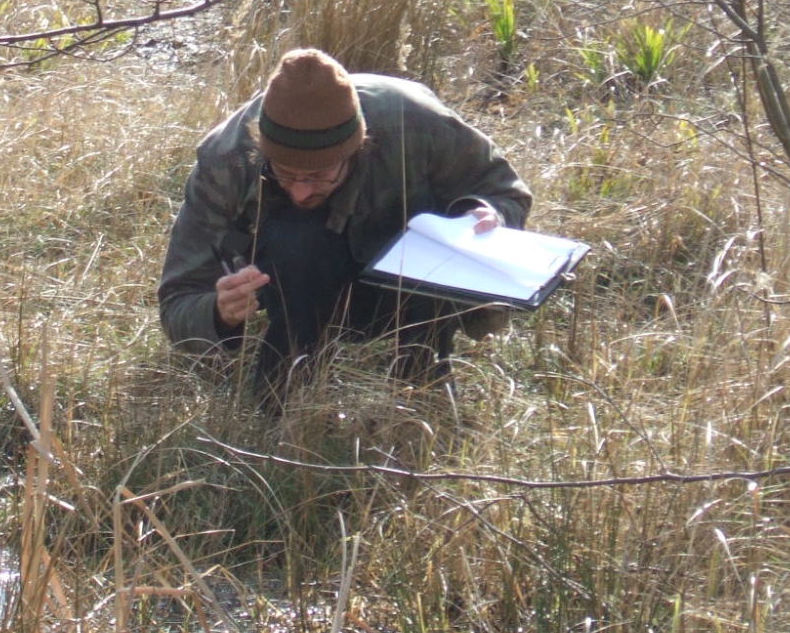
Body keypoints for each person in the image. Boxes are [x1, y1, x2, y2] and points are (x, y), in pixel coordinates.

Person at [159, 49, 532, 394]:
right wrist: (219, 313)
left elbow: (505, 193)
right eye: (285, 174)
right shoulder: (226, 160)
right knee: (296, 238)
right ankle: (284, 392)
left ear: (359, 147)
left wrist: (486, 217)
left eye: (319, 175)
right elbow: (178, 299)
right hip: (293, 282)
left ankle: (421, 386)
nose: (301, 192)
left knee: (430, 240)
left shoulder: (417, 122)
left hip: (407, 286)